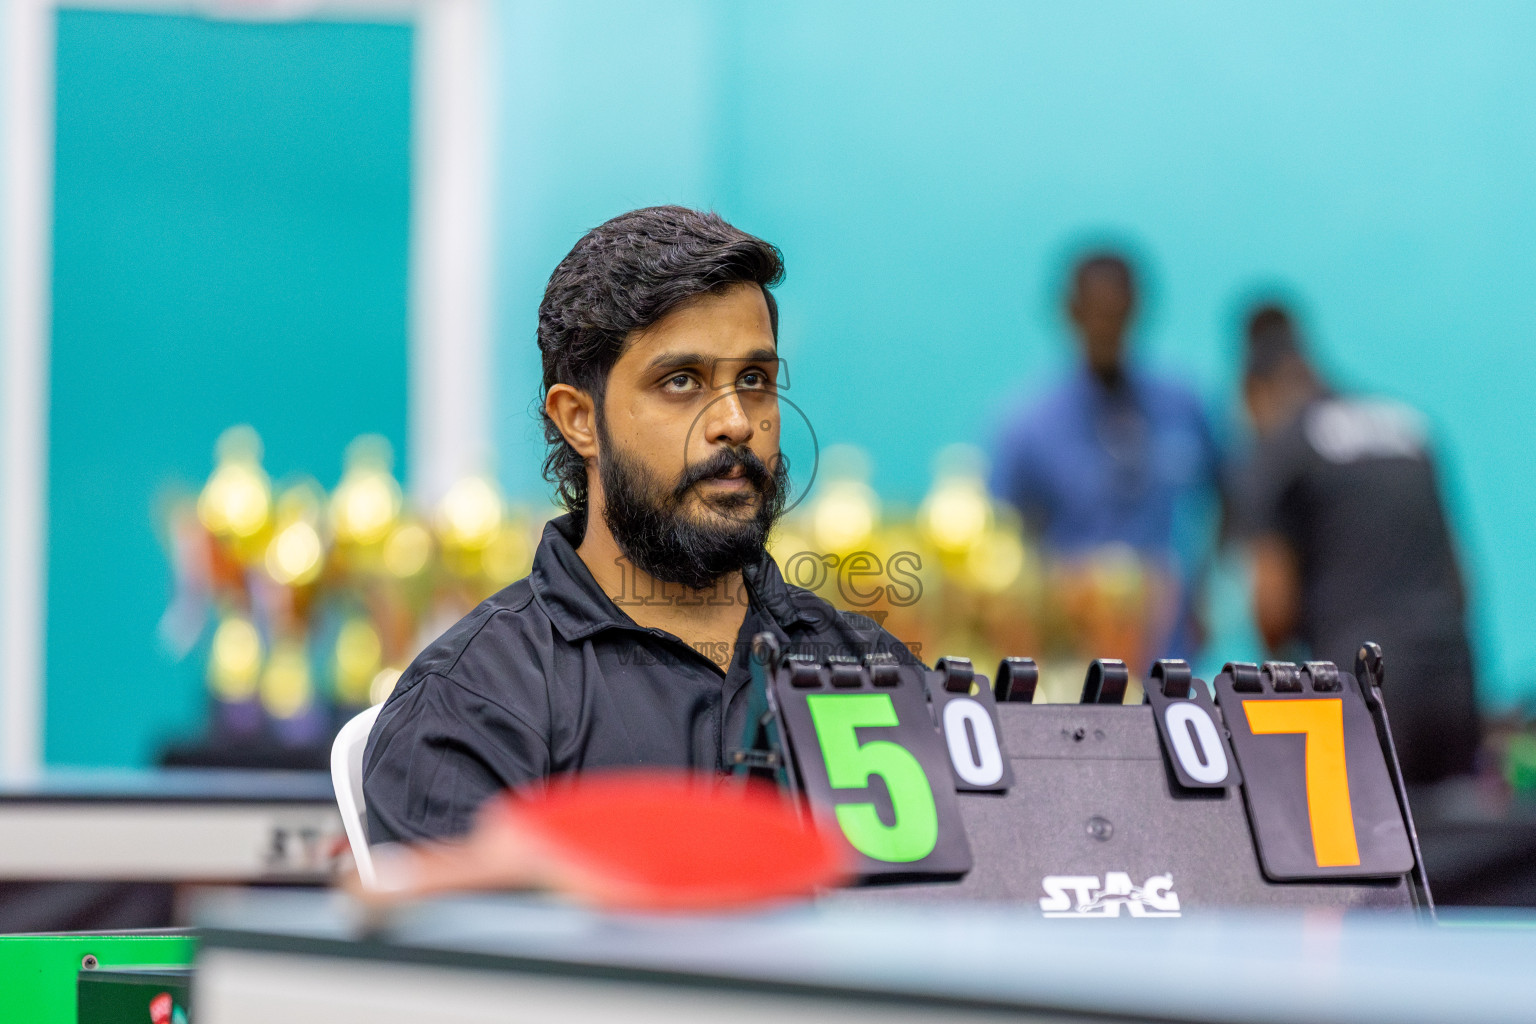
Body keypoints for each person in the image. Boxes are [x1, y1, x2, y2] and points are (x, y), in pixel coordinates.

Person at [363, 207, 920, 843]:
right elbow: (467, 942)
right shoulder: (475, 701)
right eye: (682, 381)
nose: (736, 421)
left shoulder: (866, 667)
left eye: (755, 379)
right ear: (579, 419)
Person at [1235, 303, 1479, 783]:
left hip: (1362, 689)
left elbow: (1273, 609)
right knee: (1454, 850)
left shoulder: (1284, 445)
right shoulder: (1406, 426)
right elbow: (1462, 582)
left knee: (1371, 851)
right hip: (1454, 679)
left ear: (1254, 395)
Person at [989, 252, 1221, 662]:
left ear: (1137, 310)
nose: (1106, 328)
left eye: (1117, 314)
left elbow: (1229, 495)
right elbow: (1004, 539)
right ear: (1070, 312)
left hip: (1164, 650)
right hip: (1070, 657)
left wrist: (1201, 591)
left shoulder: (1182, 406)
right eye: (1095, 313)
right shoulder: (1030, 425)